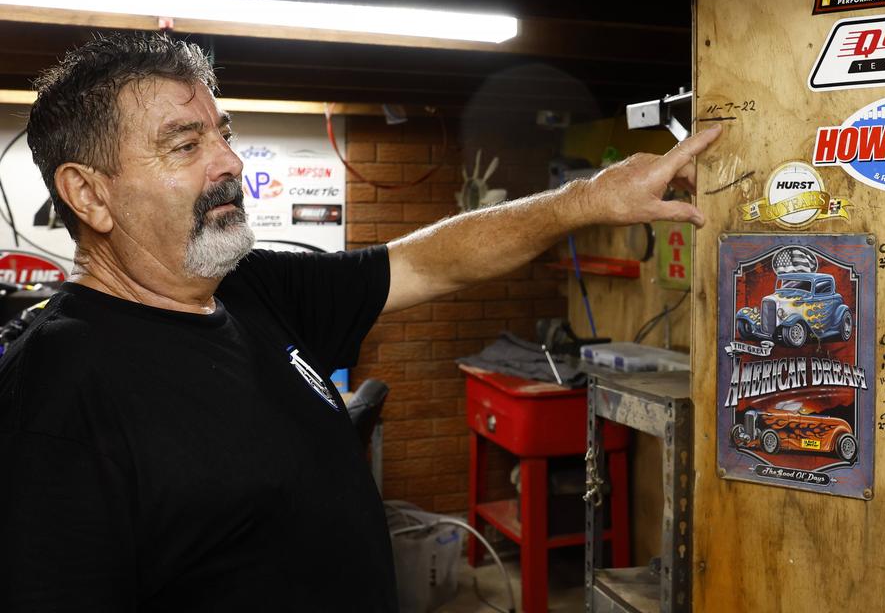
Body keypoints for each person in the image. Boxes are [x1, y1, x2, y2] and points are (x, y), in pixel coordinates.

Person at [0, 33, 720, 611]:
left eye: (224, 134)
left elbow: (431, 260)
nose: (229, 162)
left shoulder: (253, 288)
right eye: (186, 146)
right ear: (89, 196)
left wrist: (588, 199)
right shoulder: (55, 390)